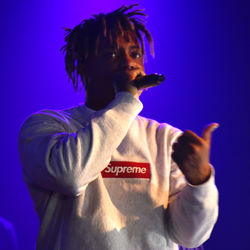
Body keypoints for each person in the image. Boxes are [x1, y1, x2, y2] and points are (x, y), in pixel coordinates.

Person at [17, 4, 219, 250]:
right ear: (83, 66)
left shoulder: (165, 139)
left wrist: (200, 182)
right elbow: (70, 176)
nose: (129, 64)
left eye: (135, 54)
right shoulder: (46, 126)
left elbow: (190, 236)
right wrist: (125, 100)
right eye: (111, 55)